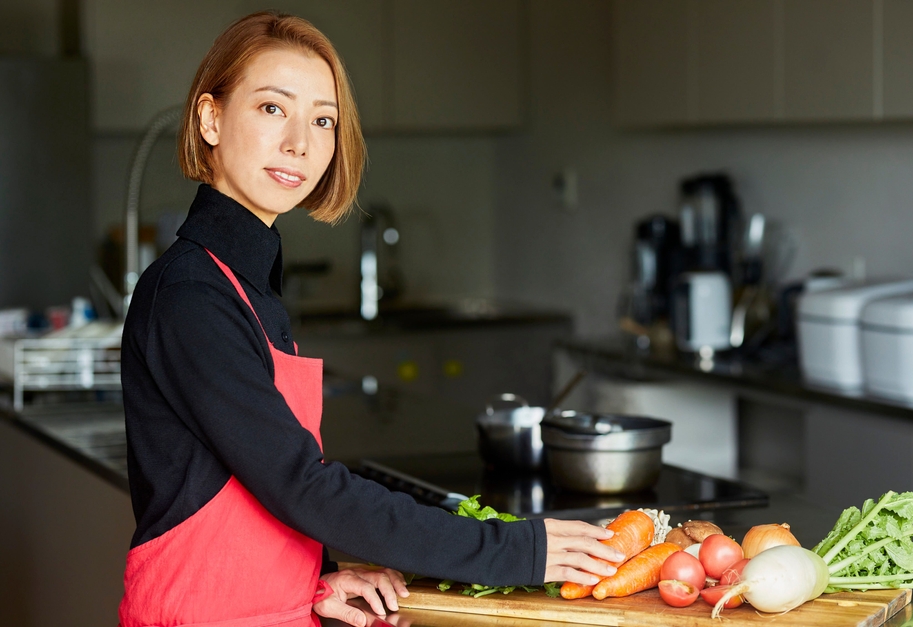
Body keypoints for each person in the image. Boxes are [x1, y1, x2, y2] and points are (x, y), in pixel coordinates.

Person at [119, 11, 622, 627]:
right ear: (211, 119)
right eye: (273, 108)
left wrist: (312, 577)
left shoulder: (241, 281)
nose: (300, 143)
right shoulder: (190, 295)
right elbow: (300, 483)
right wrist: (512, 550)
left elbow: (247, 480)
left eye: (322, 120)